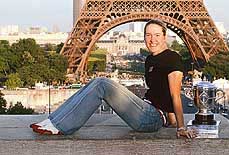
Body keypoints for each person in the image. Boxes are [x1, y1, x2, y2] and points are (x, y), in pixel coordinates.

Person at [30, 19, 194, 138]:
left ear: (165, 37)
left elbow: (174, 95)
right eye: (148, 35)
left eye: (157, 35)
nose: (152, 39)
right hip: (146, 110)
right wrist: (171, 121)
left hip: (151, 117)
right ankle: (54, 120)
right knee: (95, 82)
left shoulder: (173, 58)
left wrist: (180, 127)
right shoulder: (151, 59)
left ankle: (60, 126)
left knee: (102, 83)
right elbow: (161, 93)